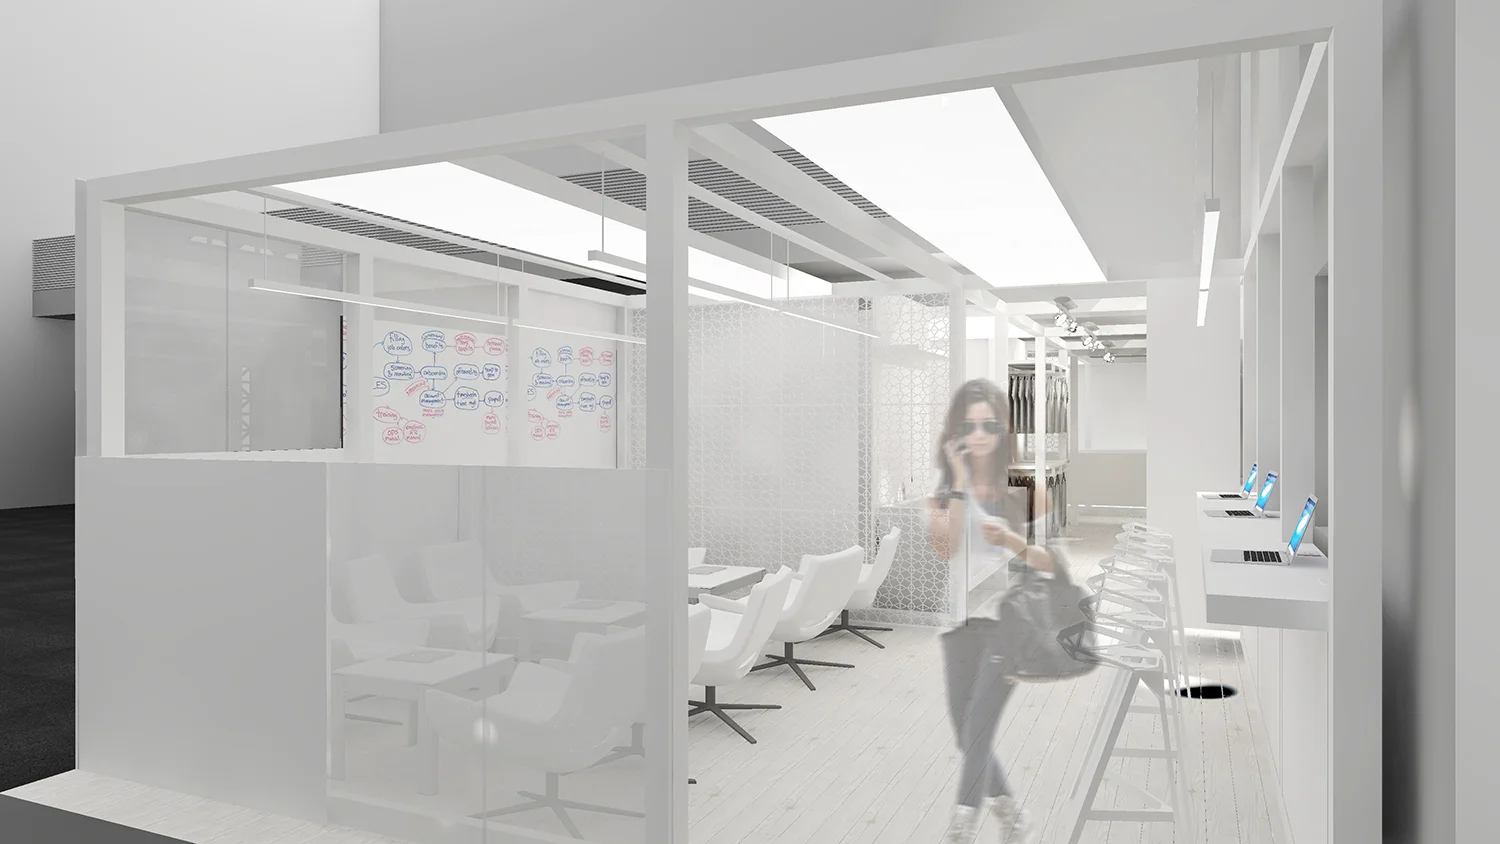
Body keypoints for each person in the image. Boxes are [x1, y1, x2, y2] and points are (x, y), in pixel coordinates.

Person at [928, 378, 1053, 844]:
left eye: (989, 424)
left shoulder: (1025, 488)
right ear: (955, 431)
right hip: (958, 624)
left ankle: (960, 827)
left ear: (1004, 430)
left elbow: (1049, 562)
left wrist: (1013, 541)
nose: (979, 434)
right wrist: (960, 485)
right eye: (969, 425)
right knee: (965, 731)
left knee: (979, 723)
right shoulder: (944, 492)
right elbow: (943, 548)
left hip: (1007, 625)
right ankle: (1011, 814)